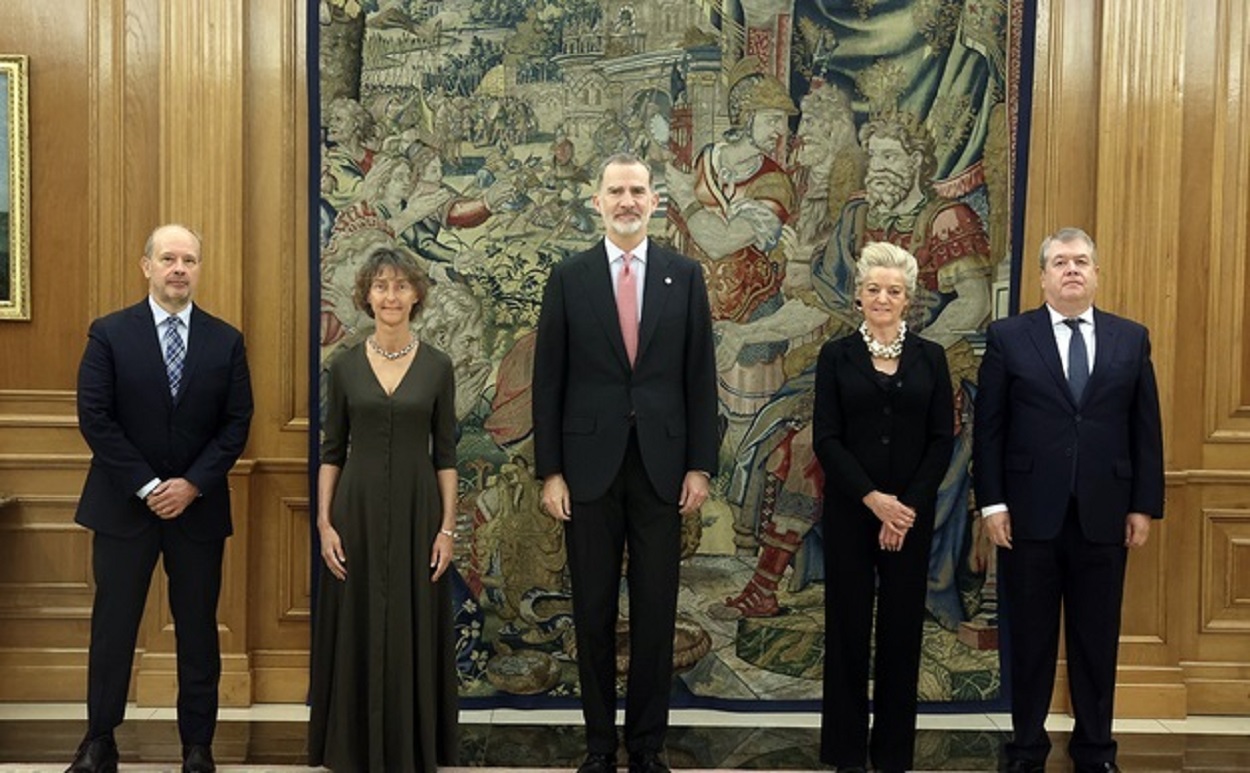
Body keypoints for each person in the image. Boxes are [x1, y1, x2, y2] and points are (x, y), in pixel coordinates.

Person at [532, 152, 718, 773]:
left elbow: (699, 378)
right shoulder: (570, 277)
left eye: (637, 190)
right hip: (587, 469)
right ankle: (597, 746)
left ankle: (645, 746)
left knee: (656, 611)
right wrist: (550, 471)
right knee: (590, 610)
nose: (627, 201)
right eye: (616, 191)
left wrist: (700, 465)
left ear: (655, 199)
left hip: (663, 469)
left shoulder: (684, 276)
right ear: (597, 200)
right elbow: (548, 381)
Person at [973, 227, 1164, 773]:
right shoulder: (1010, 336)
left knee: (1096, 639)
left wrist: (1143, 504)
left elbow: (1145, 428)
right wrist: (992, 504)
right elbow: (989, 429)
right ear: (1042, 276)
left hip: (1106, 515)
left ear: (1097, 274)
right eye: (1060, 262)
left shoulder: (1131, 338)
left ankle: (1096, 749)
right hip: (1028, 515)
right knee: (1030, 639)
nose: (1072, 270)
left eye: (1082, 261)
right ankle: (1027, 747)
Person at [68, 224, 254, 773]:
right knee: (114, 626)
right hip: (125, 506)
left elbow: (236, 424)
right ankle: (99, 741)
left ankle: (198, 746)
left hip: (197, 509)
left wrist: (191, 484)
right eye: (168, 258)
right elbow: (95, 419)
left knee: (198, 628)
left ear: (199, 269)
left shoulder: (226, 340)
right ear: (145, 265)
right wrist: (150, 487)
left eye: (189, 260)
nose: (179, 268)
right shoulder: (108, 333)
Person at [307, 246, 460, 771]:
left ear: (416, 295)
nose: (389, 296)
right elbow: (331, 452)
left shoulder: (439, 366)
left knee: (412, 621)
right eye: (380, 286)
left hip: (420, 513)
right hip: (357, 511)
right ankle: (350, 746)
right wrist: (324, 524)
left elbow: (446, 455)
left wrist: (447, 529)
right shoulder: (344, 366)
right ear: (366, 296)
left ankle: (415, 745)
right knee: (358, 622)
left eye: (399, 286)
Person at [813, 242, 954, 773]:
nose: (883, 298)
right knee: (848, 630)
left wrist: (904, 509)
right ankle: (846, 753)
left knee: (901, 636)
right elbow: (826, 438)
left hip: (911, 520)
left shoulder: (930, 358)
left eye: (893, 291)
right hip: (852, 514)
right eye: (873, 289)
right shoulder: (836, 356)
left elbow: (943, 440)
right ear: (858, 296)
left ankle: (893, 754)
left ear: (908, 299)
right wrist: (875, 502)